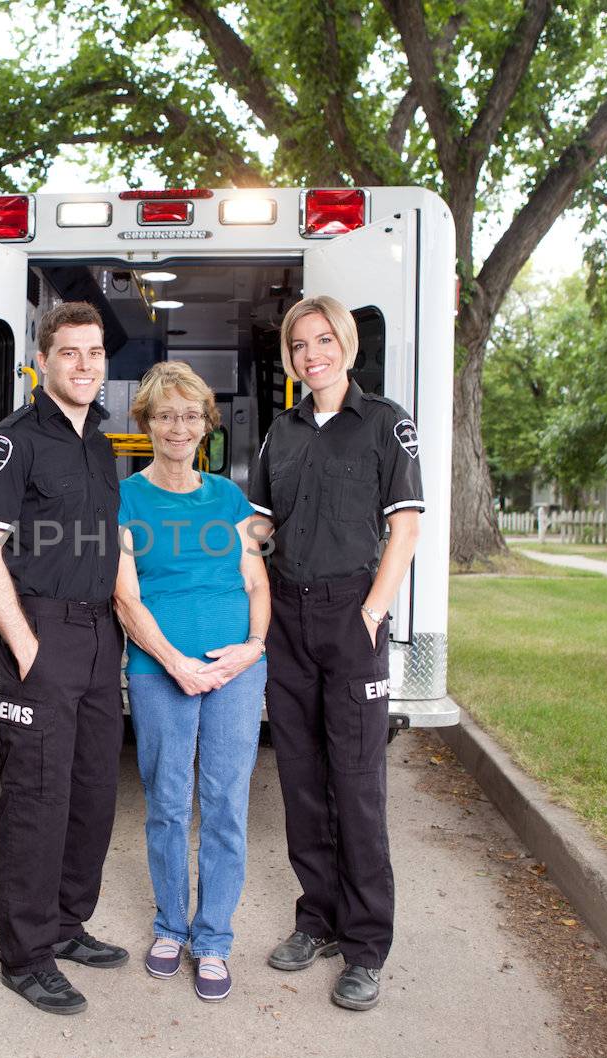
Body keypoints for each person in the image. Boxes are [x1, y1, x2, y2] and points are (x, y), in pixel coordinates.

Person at [248, 295, 423, 1011]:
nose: (311, 353)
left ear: (346, 346)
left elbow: (405, 529)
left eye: (323, 340)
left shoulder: (385, 423)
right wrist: (235, 551)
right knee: (300, 777)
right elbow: (261, 521)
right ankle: (316, 918)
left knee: (357, 784)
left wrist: (372, 615)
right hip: (288, 615)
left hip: (353, 615)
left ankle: (366, 944)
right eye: (299, 344)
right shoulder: (279, 434)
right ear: (289, 357)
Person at [0, 301, 127, 1016]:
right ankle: (26, 955)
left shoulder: (101, 443)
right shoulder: (13, 441)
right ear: (43, 359)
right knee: (37, 797)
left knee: (92, 792)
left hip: (99, 637)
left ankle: (66, 924)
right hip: (44, 634)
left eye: (94, 353)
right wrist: (26, 645)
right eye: (71, 352)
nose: (85, 365)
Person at [111, 362, 270, 1003]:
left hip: (236, 671)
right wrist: (175, 662)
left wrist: (251, 649)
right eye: (165, 415)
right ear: (146, 422)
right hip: (158, 670)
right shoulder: (124, 499)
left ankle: (213, 939)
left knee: (227, 807)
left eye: (191, 415)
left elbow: (257, 582)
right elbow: (125, 598)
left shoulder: (231, 499)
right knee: (169, 805)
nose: (179, 427)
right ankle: (171, 926)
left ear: (207, 425)